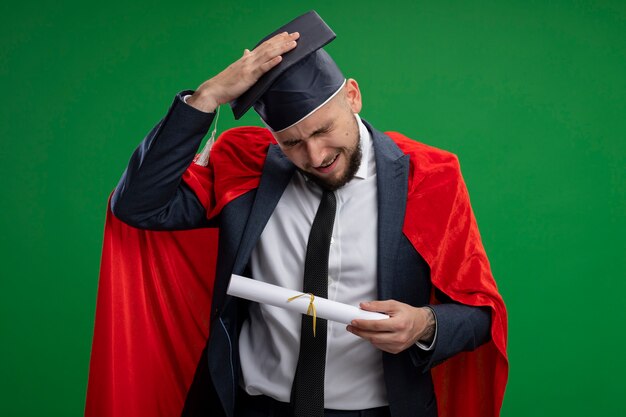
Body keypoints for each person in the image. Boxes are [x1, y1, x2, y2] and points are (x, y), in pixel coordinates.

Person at [105, 11, 507, 417]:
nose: (315, 156)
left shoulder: (429, 176)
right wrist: (205, 98)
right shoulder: (244, 166)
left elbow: (479, 315)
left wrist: (423, 325)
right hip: (253, 408)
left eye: (322, 131)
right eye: (292, 143)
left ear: (352, 95)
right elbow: (139, 204)